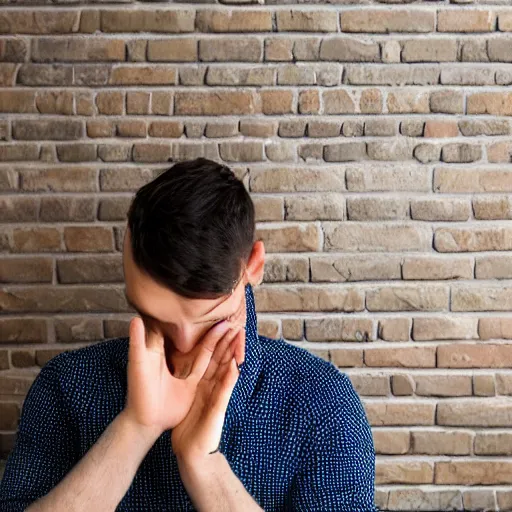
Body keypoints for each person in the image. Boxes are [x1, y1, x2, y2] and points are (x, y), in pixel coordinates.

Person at [0, 158, 379, 511]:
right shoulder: (67, 387)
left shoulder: (322, 404)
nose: (181, 346)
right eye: (153, 319)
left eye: (211, 321)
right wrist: (135, 429)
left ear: (254, 267)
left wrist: (204, 465)